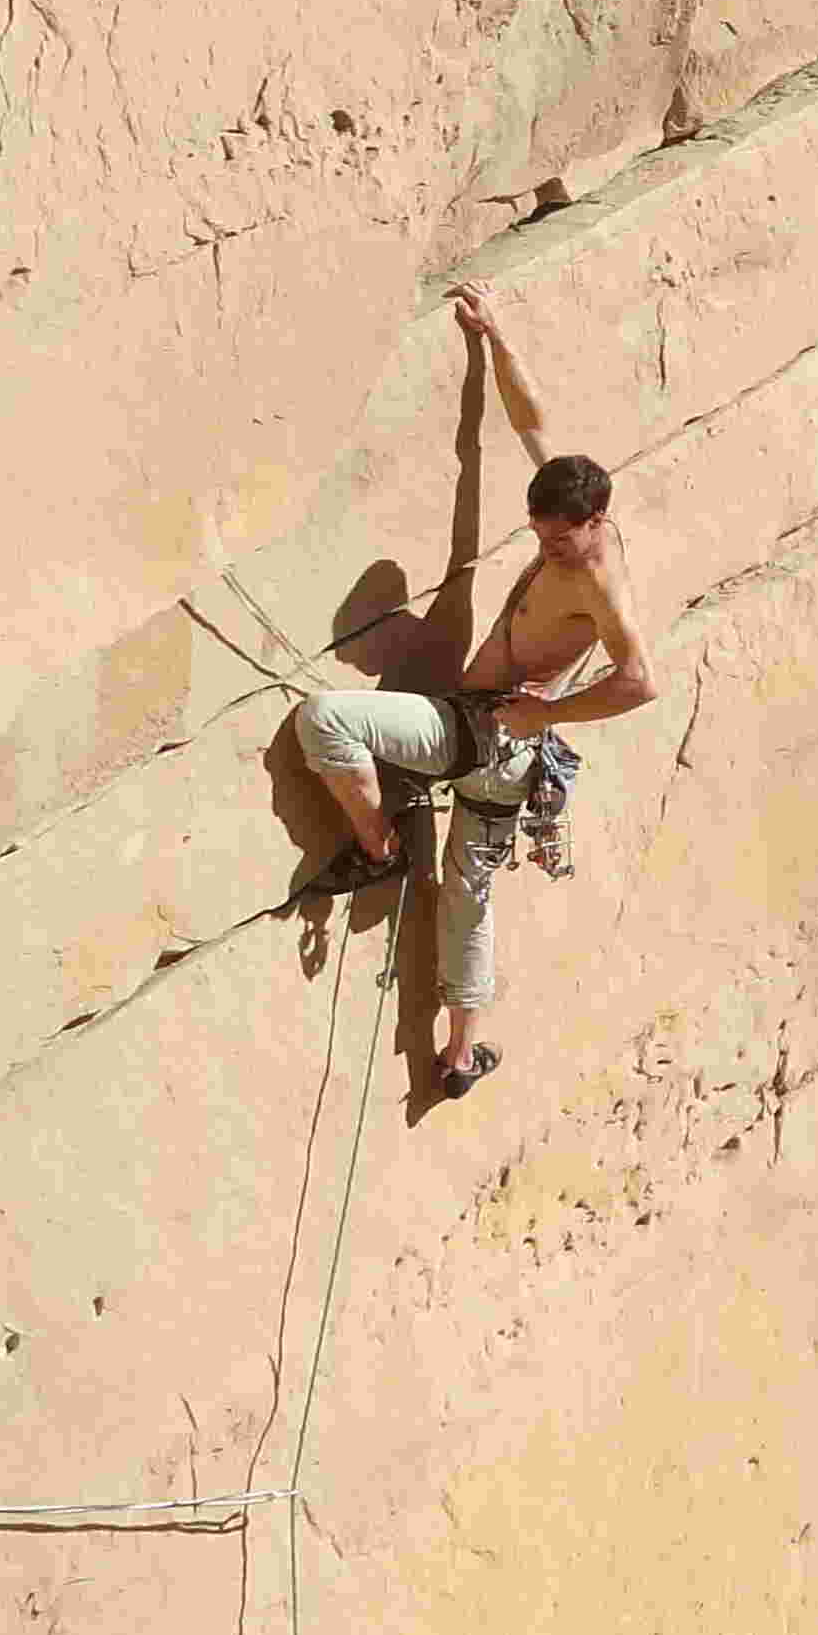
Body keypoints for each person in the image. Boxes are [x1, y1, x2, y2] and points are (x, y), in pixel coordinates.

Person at [287, 281, 662, 1095]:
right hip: (490, 743)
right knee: (467, 895)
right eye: (537, 534)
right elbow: (532, 423)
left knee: (326, 720)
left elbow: (641, 682)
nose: (546, 547)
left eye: (558, 539)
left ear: (596, 523)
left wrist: (549, 711)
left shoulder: (600, 580)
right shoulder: (571, 500)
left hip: (487, 738)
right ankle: (462, 1053)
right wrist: (495, 337)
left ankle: (379, 846)